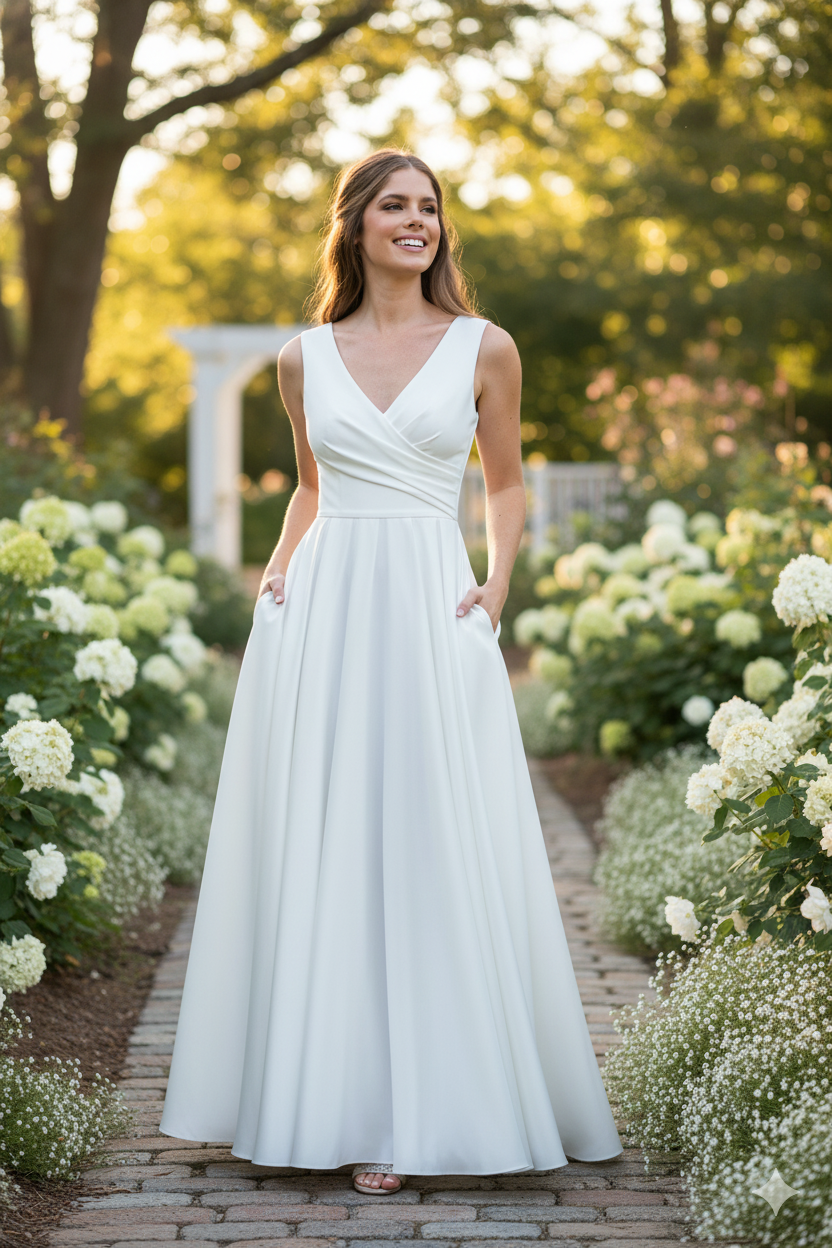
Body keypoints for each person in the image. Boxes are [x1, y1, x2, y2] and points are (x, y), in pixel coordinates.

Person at [159, 147, 621, 1194]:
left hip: (428, 602)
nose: (416, 222)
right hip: (321, 615)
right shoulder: (300, 357)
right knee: (332, 841)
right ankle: (336, 1101)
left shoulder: (482, 347)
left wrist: (497, 588)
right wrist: (274, 575)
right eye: (395, 206)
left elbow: (503, 487)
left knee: (427, 840)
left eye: (429, 208)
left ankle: (436, 1105)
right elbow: (312, 489)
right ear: (355, 224)